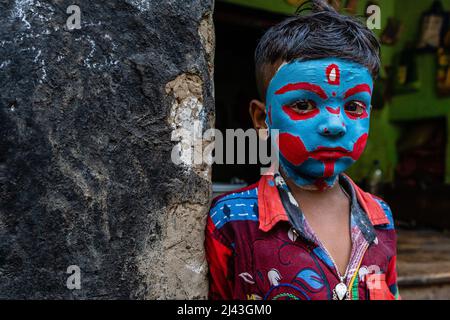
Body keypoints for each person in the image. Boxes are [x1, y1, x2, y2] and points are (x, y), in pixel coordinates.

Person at [205, 0, 400, 300]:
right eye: (304, 104)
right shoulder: (231, 222)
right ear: (262, 118)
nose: (335, 125)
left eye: (353, 106)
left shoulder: (381, 217)